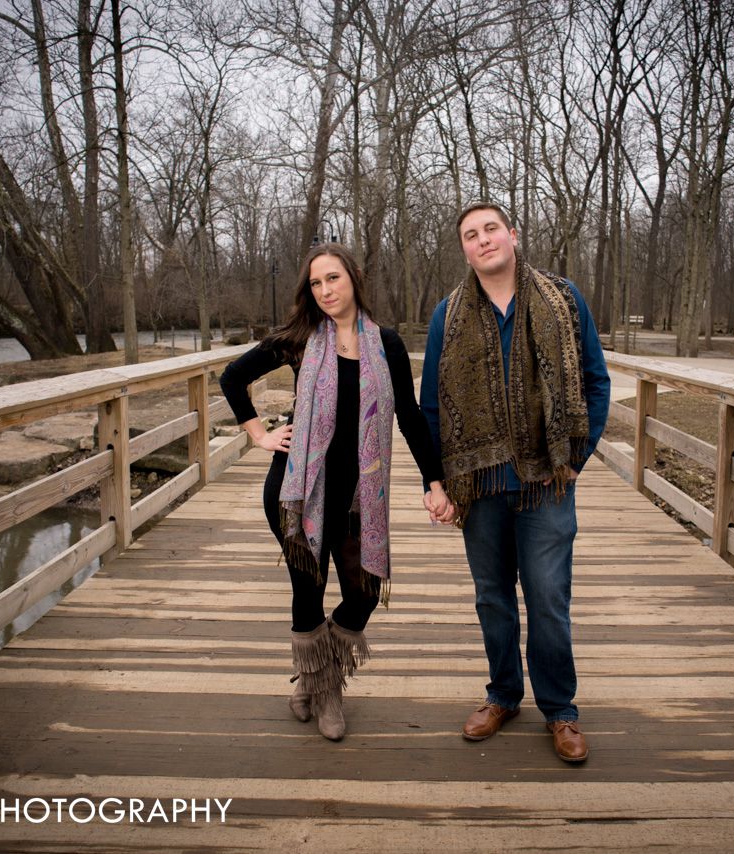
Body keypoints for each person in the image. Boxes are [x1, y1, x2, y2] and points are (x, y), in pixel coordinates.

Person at [220, 243, 452, 742]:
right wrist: (260, 435)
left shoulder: (385, 344)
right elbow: (233, 377)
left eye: (333, 279)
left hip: (359, 495)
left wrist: (434, 480)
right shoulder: (301, 338)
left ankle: (313, 676)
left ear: (354, 278)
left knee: (363, 591)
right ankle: (326, 689)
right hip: (297, 489)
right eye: (316, 283)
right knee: (308, 589)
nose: (325, 291)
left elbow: (409, 417)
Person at [420, 203, 610, 763]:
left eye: (490, 230)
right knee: (493, 598)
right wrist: (438, 481)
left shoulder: (563, 299)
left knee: (548, 598)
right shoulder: (446, 315)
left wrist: (576, 457)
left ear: (512, 235)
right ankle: (503, 694)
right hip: (478, 486)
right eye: (470, 235)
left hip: (546, 482)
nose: (483, 241)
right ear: (465, 249)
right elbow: (431, 406)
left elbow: (596, 383)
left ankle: (560, 709)